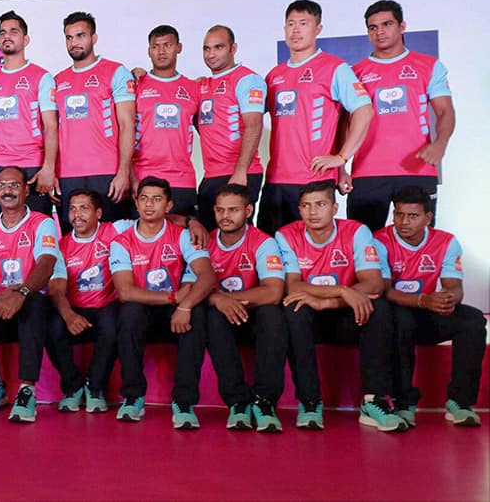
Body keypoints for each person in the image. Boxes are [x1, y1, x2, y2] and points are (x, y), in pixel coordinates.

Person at [275, 180, 406, 432]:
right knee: (294, 308)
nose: (313, 212)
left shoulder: (357, 232)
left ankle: (373, 401)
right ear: (299, 209)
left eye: (320, 204)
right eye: (306, 206)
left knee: (379, 309)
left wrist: (328, 301)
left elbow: (374, 283)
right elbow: (293, 286)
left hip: (346, 315)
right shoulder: (286, 235)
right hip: (312, 315)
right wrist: (342, 290)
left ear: (335, 208)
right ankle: (310, 401)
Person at [372, 186, 486, 427]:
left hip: (426, 313)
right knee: (400, 317)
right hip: (394, 315)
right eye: (399, 214)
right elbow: (383, 290)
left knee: (473, 320)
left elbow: (454, 286)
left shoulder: (445, 242)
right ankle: (403, 402)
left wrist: (448, 298)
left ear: (428, 218)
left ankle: (460, 403)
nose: (404, 222)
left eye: (413, 216)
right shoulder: (379, 240)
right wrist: (423, 300)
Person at [259, 0, 374, 234]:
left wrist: (342, 158)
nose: (296, 30)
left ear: (318, 29)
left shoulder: (334, 68)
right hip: (276, 180)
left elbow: (364, 110)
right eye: (291, 23)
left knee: (311, 257)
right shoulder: (275, 75)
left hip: (314, 181)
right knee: (273, 252)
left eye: (304, 23)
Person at [109, 177, 215, 427]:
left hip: (175, 310)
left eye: (157, 199)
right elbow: (125, 292)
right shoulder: (121, 241)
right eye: (144, 198)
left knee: (197, 314)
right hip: (147, 305)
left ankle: (184, 402)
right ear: (136, 203)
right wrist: (171, 296)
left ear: (168, 207)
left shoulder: (182, 235)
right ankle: (133, 397)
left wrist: (184, 305)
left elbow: (207, 276)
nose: (149, 205)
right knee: (129, 312)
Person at [348, 0, 456, 231]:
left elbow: (445, 110)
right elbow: (343, 125)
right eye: (373, 27)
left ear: (402, 26)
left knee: (419, 243)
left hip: (416, 170)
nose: (380, 32)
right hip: (368, 172)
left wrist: (440, 144)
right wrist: (340, 166)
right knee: (362, 246)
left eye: (386, 24)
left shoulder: (429, 66)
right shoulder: (354, 73)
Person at [0, 167, 60, 423]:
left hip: (32, 304)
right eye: (1, 186)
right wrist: (0, 299)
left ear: (26, 190)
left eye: (14, 185)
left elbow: (46, 263)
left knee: (36, 302)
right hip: (0, 306)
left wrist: (22, 293)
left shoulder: (42, 223)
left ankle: (27, 389)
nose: (7, 190)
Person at [198, 184, 287, 432]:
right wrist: (218, 300)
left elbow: (273, 290)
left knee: (273, 313)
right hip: (223, 320)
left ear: (248, 210)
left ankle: (264, 401)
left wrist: (228, 298)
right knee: (212, 314)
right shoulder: (204, 242)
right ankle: (237, 402)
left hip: (254, 314)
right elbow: (191, 288)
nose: (226, 216)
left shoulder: (263, 242)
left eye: (233, 210)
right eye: (220, 210)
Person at [46, 189, 132, 413]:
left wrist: (191, 222)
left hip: (106, 306)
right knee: (52, 328)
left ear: (99, 213)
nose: (77, 215)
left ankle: (94, 387)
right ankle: (73, 387)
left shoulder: (115, 229)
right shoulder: (61, 246)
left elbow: (153, 219)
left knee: (113, 326)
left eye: (84, 208)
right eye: (72, 209)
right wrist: (69, 315)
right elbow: (56, 289)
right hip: (74, 307)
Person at [54, 11, 136, 227]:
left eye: (80, 36)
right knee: (72, 242)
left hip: (107, 173)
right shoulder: (58, 80)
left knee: (112, 238)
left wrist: (123, 172)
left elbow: (128, 125)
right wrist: (53, 172)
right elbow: (52, 131)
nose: (74, 42)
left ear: (94, 38)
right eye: (69, 37)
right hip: (68, 174)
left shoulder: (116, 72)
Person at [0, 10, 58, 219]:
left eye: (13, 32)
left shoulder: (42, 77)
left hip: (31, 165)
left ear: (25, 39)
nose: (7, 36)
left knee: (35, 228)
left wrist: (49, 168)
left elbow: (51, 126)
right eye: (2, 32)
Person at [196, 25, 267, 230]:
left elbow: (254, 125)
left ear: (233, 48)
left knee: (238, 236)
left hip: (240, 172)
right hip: (211, 175)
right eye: (206, 48)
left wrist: (240, 170)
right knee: (210, 239)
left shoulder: (247, 79)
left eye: (218, 47)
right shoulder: (203, 85)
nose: (211, 54)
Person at [132, 25, 200, 216]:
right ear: (149, 51)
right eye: (156, 46)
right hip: (143, 179)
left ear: (179, 47)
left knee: (185, 241)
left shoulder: (194, 88)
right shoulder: (135, 84)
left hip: (182, 181)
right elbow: (124, 133)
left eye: (167, 45)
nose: (161, 51)